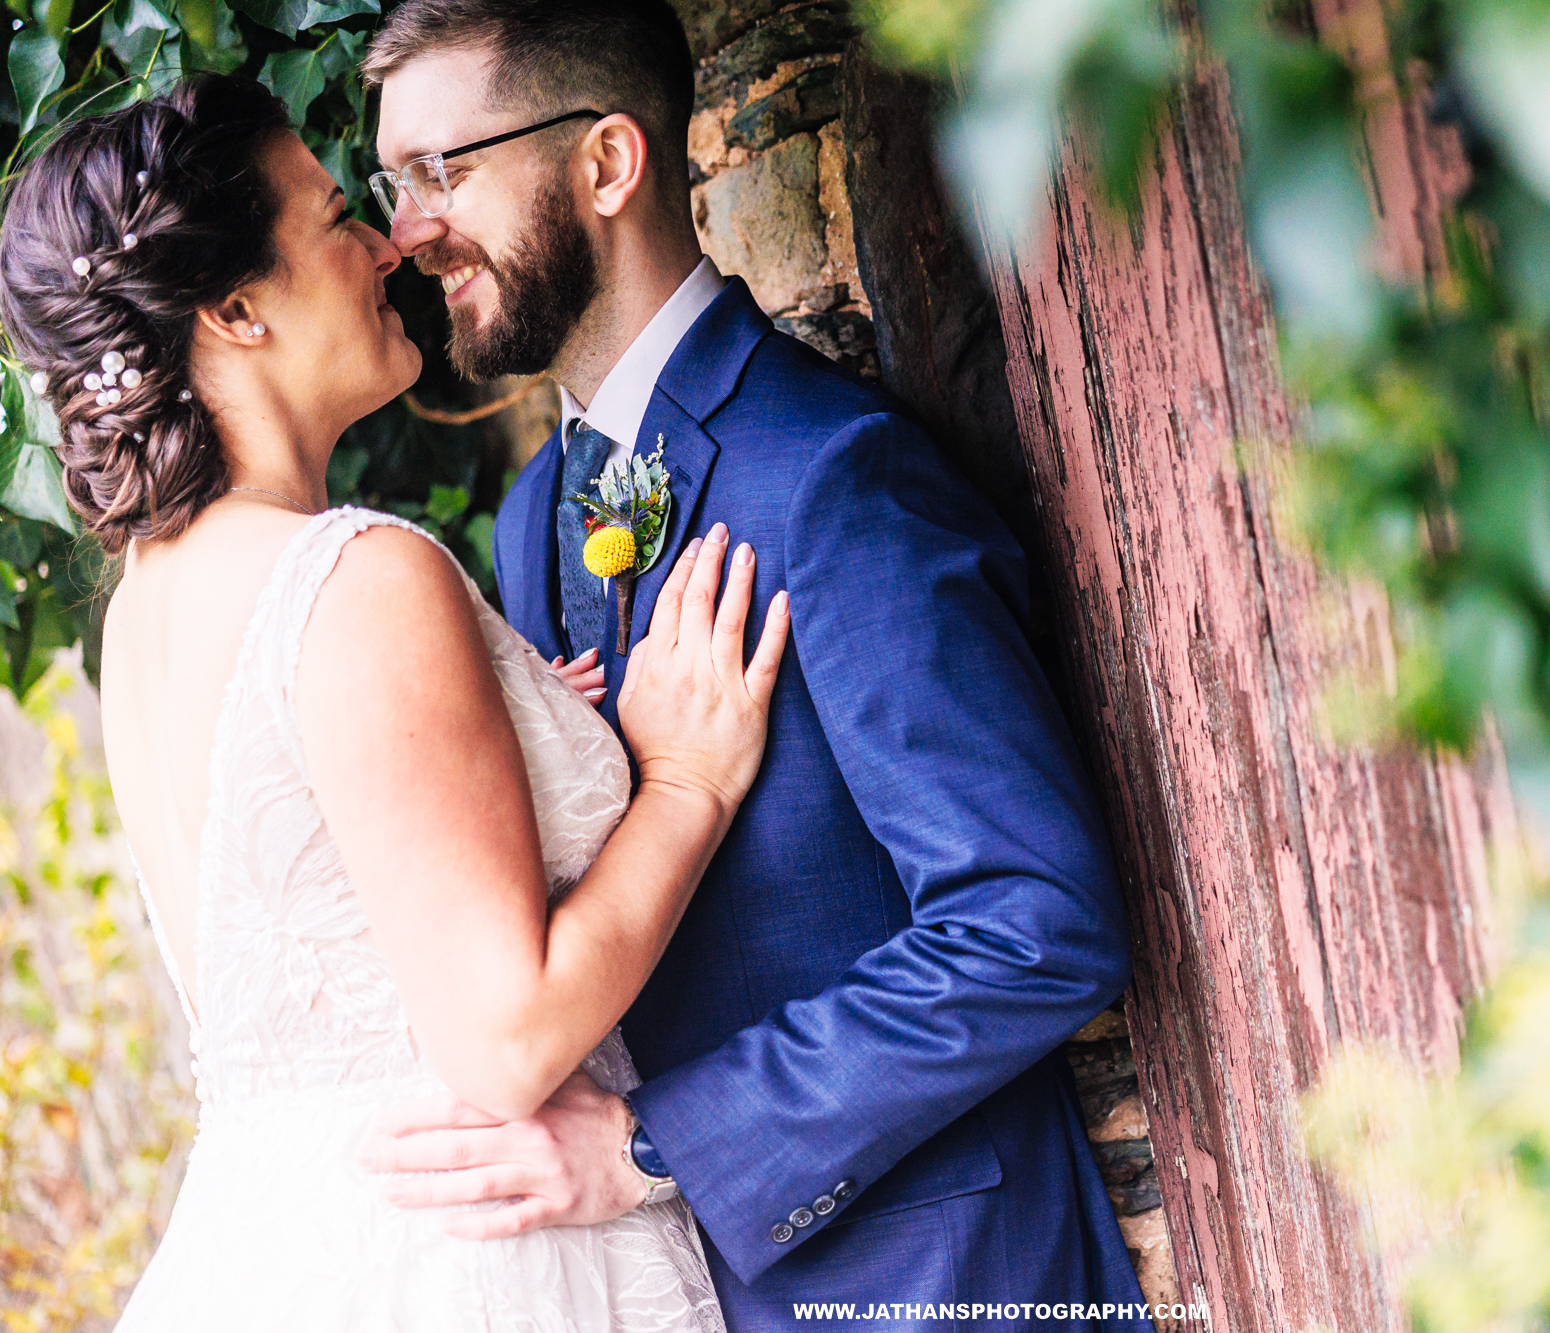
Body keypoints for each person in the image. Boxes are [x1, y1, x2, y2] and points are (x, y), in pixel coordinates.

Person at [357, 2, 1152, 1327]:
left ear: (607, 164)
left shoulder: (833, 477)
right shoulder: (533, 514)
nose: (407, 231)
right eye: (397, 183)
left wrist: (655, 1146)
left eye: (447, 171)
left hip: (935, 1283)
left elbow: (1035, 922)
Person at [0, 74, 791, 1329]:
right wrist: (685, 785)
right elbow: (505, 1037)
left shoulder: (147, 606)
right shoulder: (355, 576)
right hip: (463, 1252)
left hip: (280, 1246)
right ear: (237, 308)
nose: (387, 245)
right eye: (333, 219)